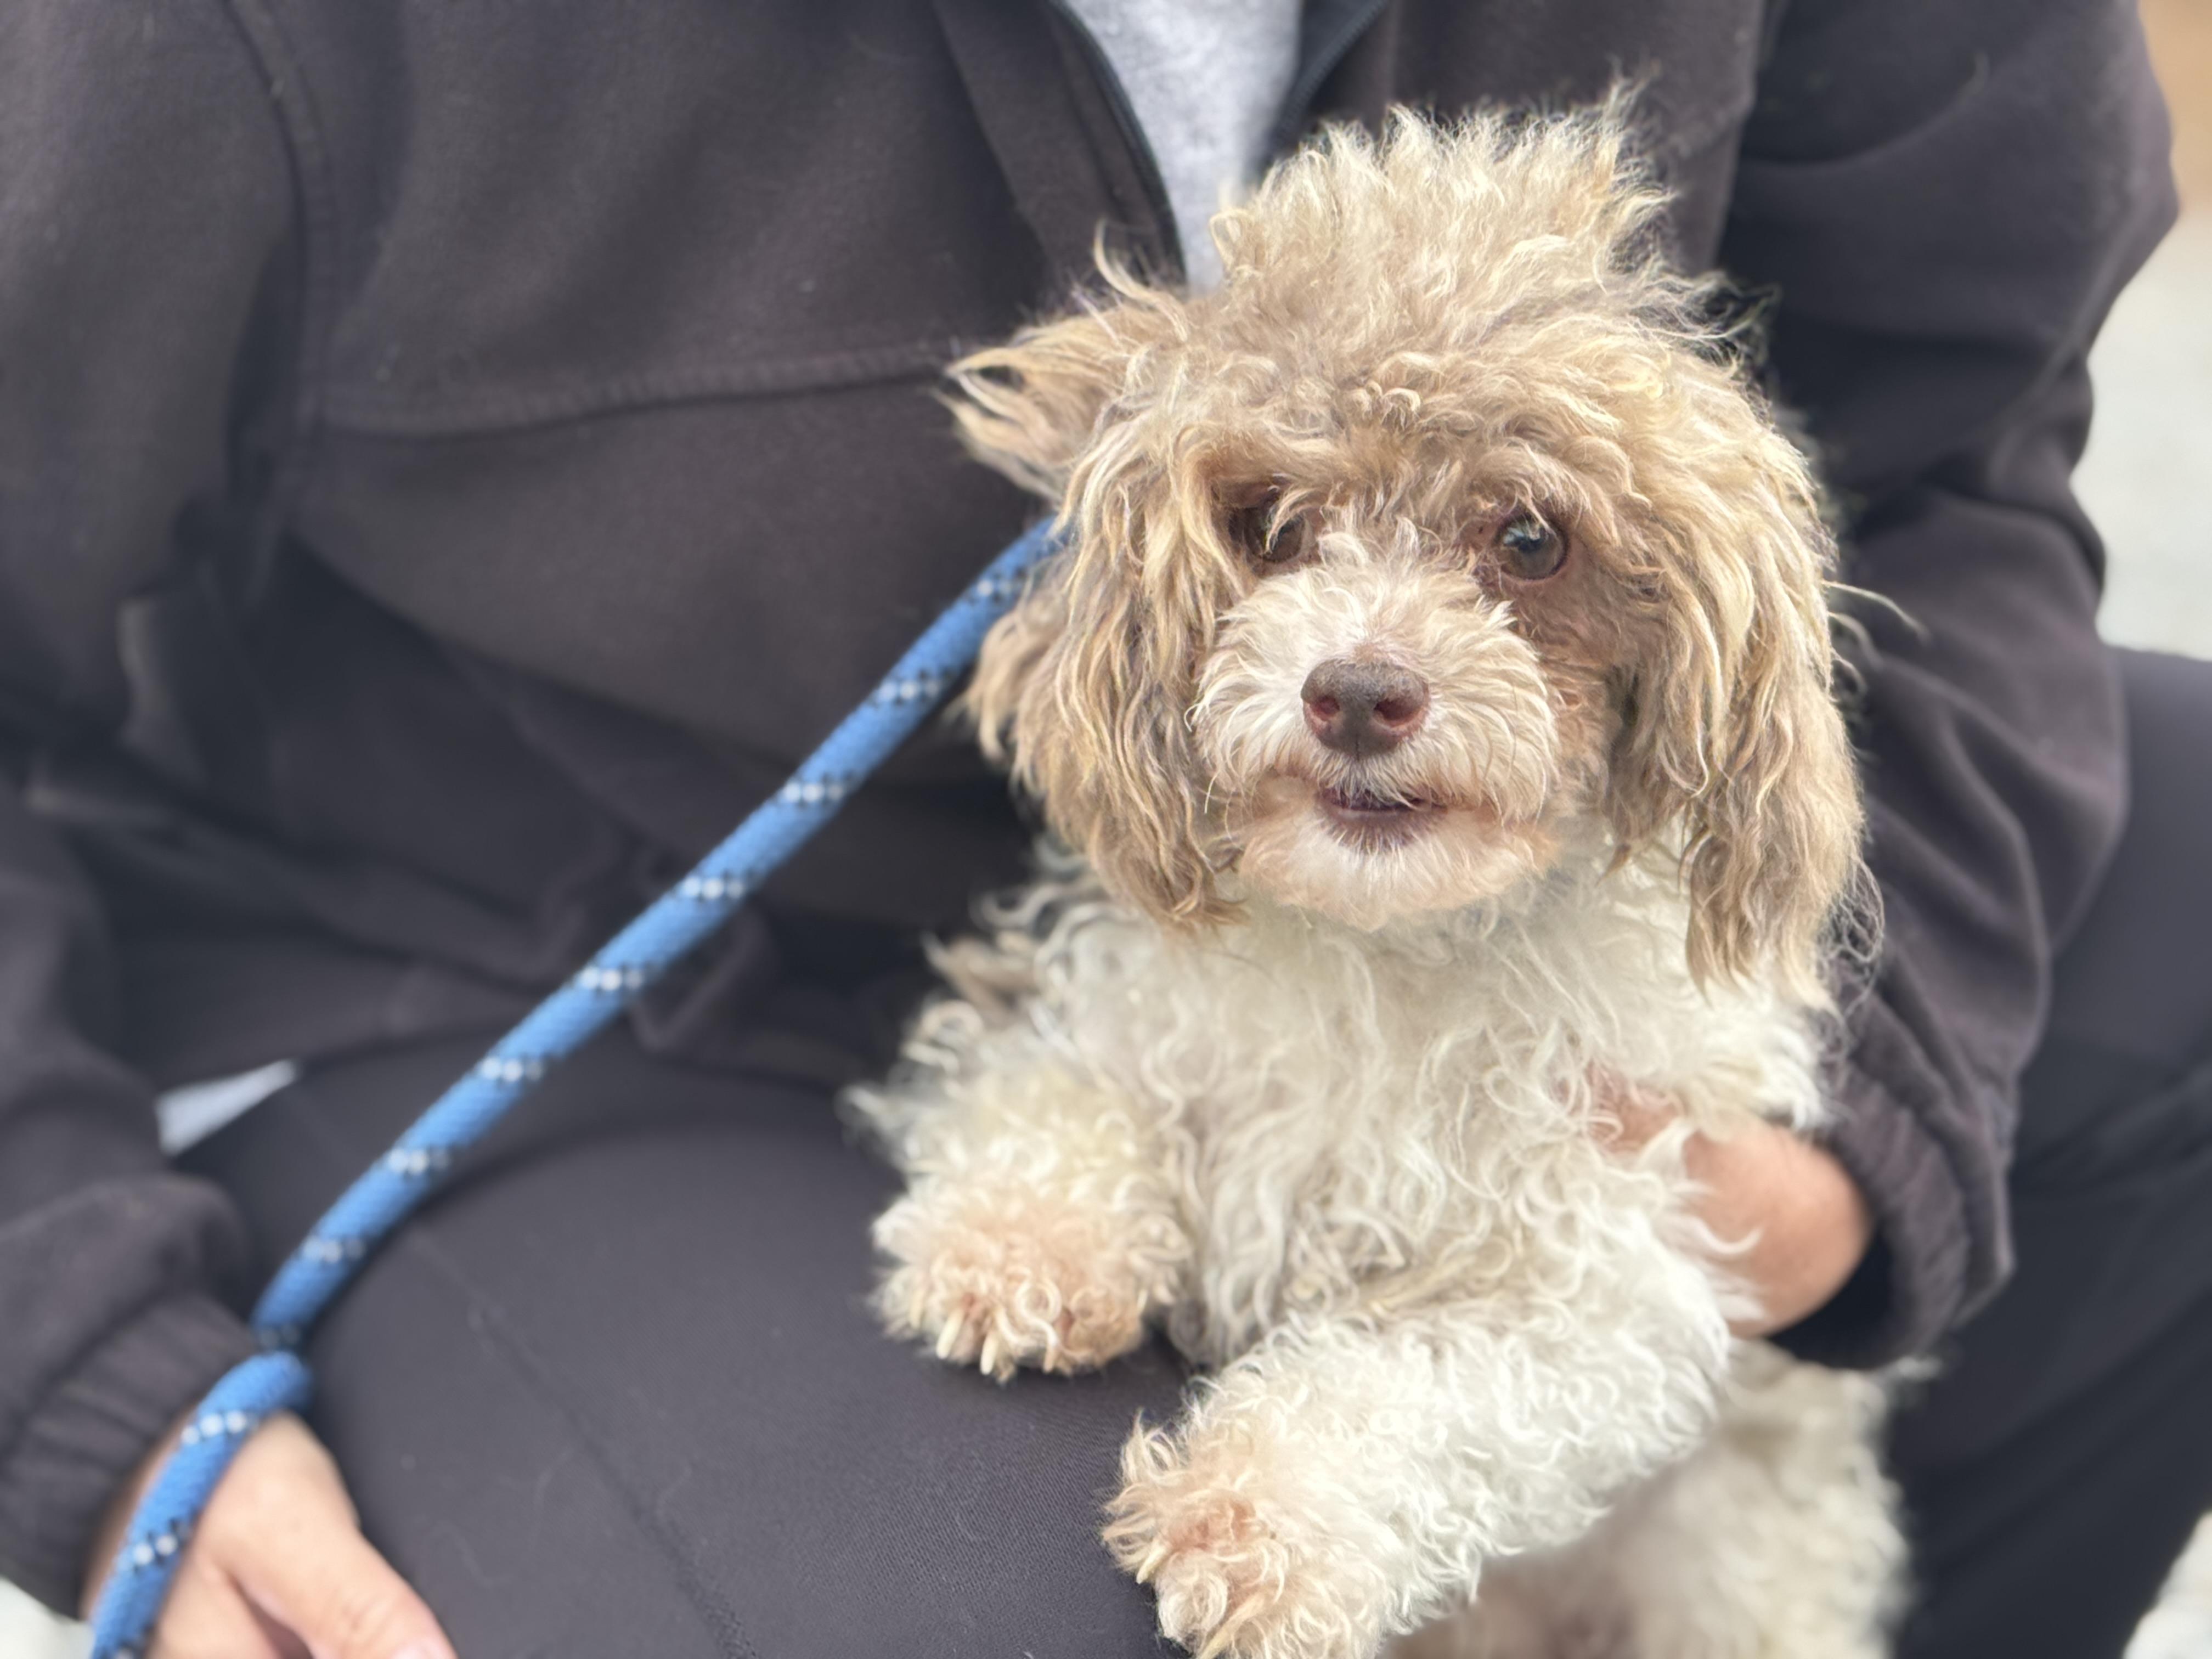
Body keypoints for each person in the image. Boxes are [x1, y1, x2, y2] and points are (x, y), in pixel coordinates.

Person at [0, 2, 2202, 1656]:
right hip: (495, 979)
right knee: (1051, 1611)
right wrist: (81, 1369)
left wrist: (1862, 1118)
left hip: (1519, 911)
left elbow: (1954, 442)